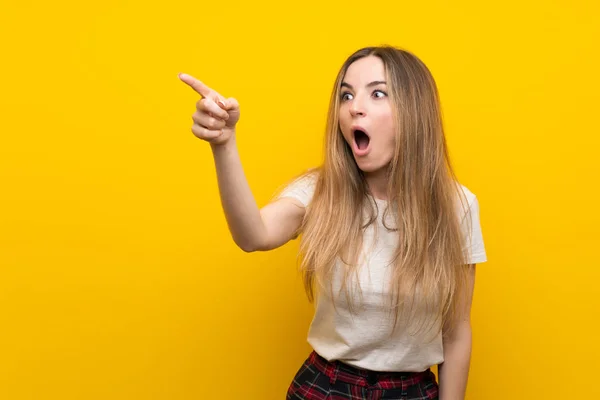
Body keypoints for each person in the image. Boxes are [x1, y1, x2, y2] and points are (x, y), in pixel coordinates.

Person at [178, 45, 487, 400]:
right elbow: (253, 235)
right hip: (325, 388)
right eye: (346, 95)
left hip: (411, 391)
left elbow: (457, 331)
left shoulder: (456, 206)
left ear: (414, 110)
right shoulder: (320, 191)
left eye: (377, 93)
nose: (355, 106)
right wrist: (224, 143)